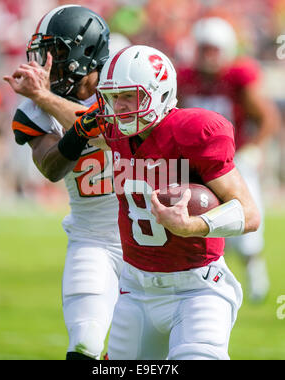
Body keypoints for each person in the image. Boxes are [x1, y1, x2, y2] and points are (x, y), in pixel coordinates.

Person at [74, 44, 261, 360]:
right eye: (112, 97)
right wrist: (42, 97)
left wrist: (193, 226)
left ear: (159, 93)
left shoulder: (193, 130)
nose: (118, 108)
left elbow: (249, 213)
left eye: (128, 97)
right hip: (134, 290)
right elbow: (75, 122)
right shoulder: (114, 131)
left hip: (197, 289)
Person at [4, 4, 123, 360]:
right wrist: (48, 106)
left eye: (54, 52)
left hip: (148, 240)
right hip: (92, 241)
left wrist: (44, 97)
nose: (44, 63)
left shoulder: (124, 88)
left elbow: (110, 127)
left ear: (83, 52)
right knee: (85, 346)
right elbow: (51, 168)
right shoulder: (33, 112)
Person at [177, 17, 281, 302]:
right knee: (197, 218)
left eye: (214, 49)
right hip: (195, 164)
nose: (209, 56)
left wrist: (255, 148)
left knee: (245, 219)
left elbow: (267, 117)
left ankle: (254, 270)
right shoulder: (185, 77)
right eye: (204, 49)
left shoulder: (238, 77)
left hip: (232, 161)